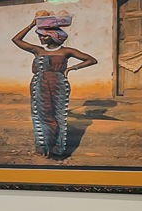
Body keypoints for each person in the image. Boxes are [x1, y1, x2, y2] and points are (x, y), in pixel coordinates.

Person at [11, 15, 99, 160]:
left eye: (44, 36)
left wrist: (71, 68)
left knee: (59, 117)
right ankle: (43, 148)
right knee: (40, 116)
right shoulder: (37, 50)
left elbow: (91, 60)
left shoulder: (66, 51)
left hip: (59, 85)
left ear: (55, 37)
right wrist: (32, 24)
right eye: (40, 36)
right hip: (39, 84)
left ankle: (57, 150)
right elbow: (16, 40)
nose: (41, 39)